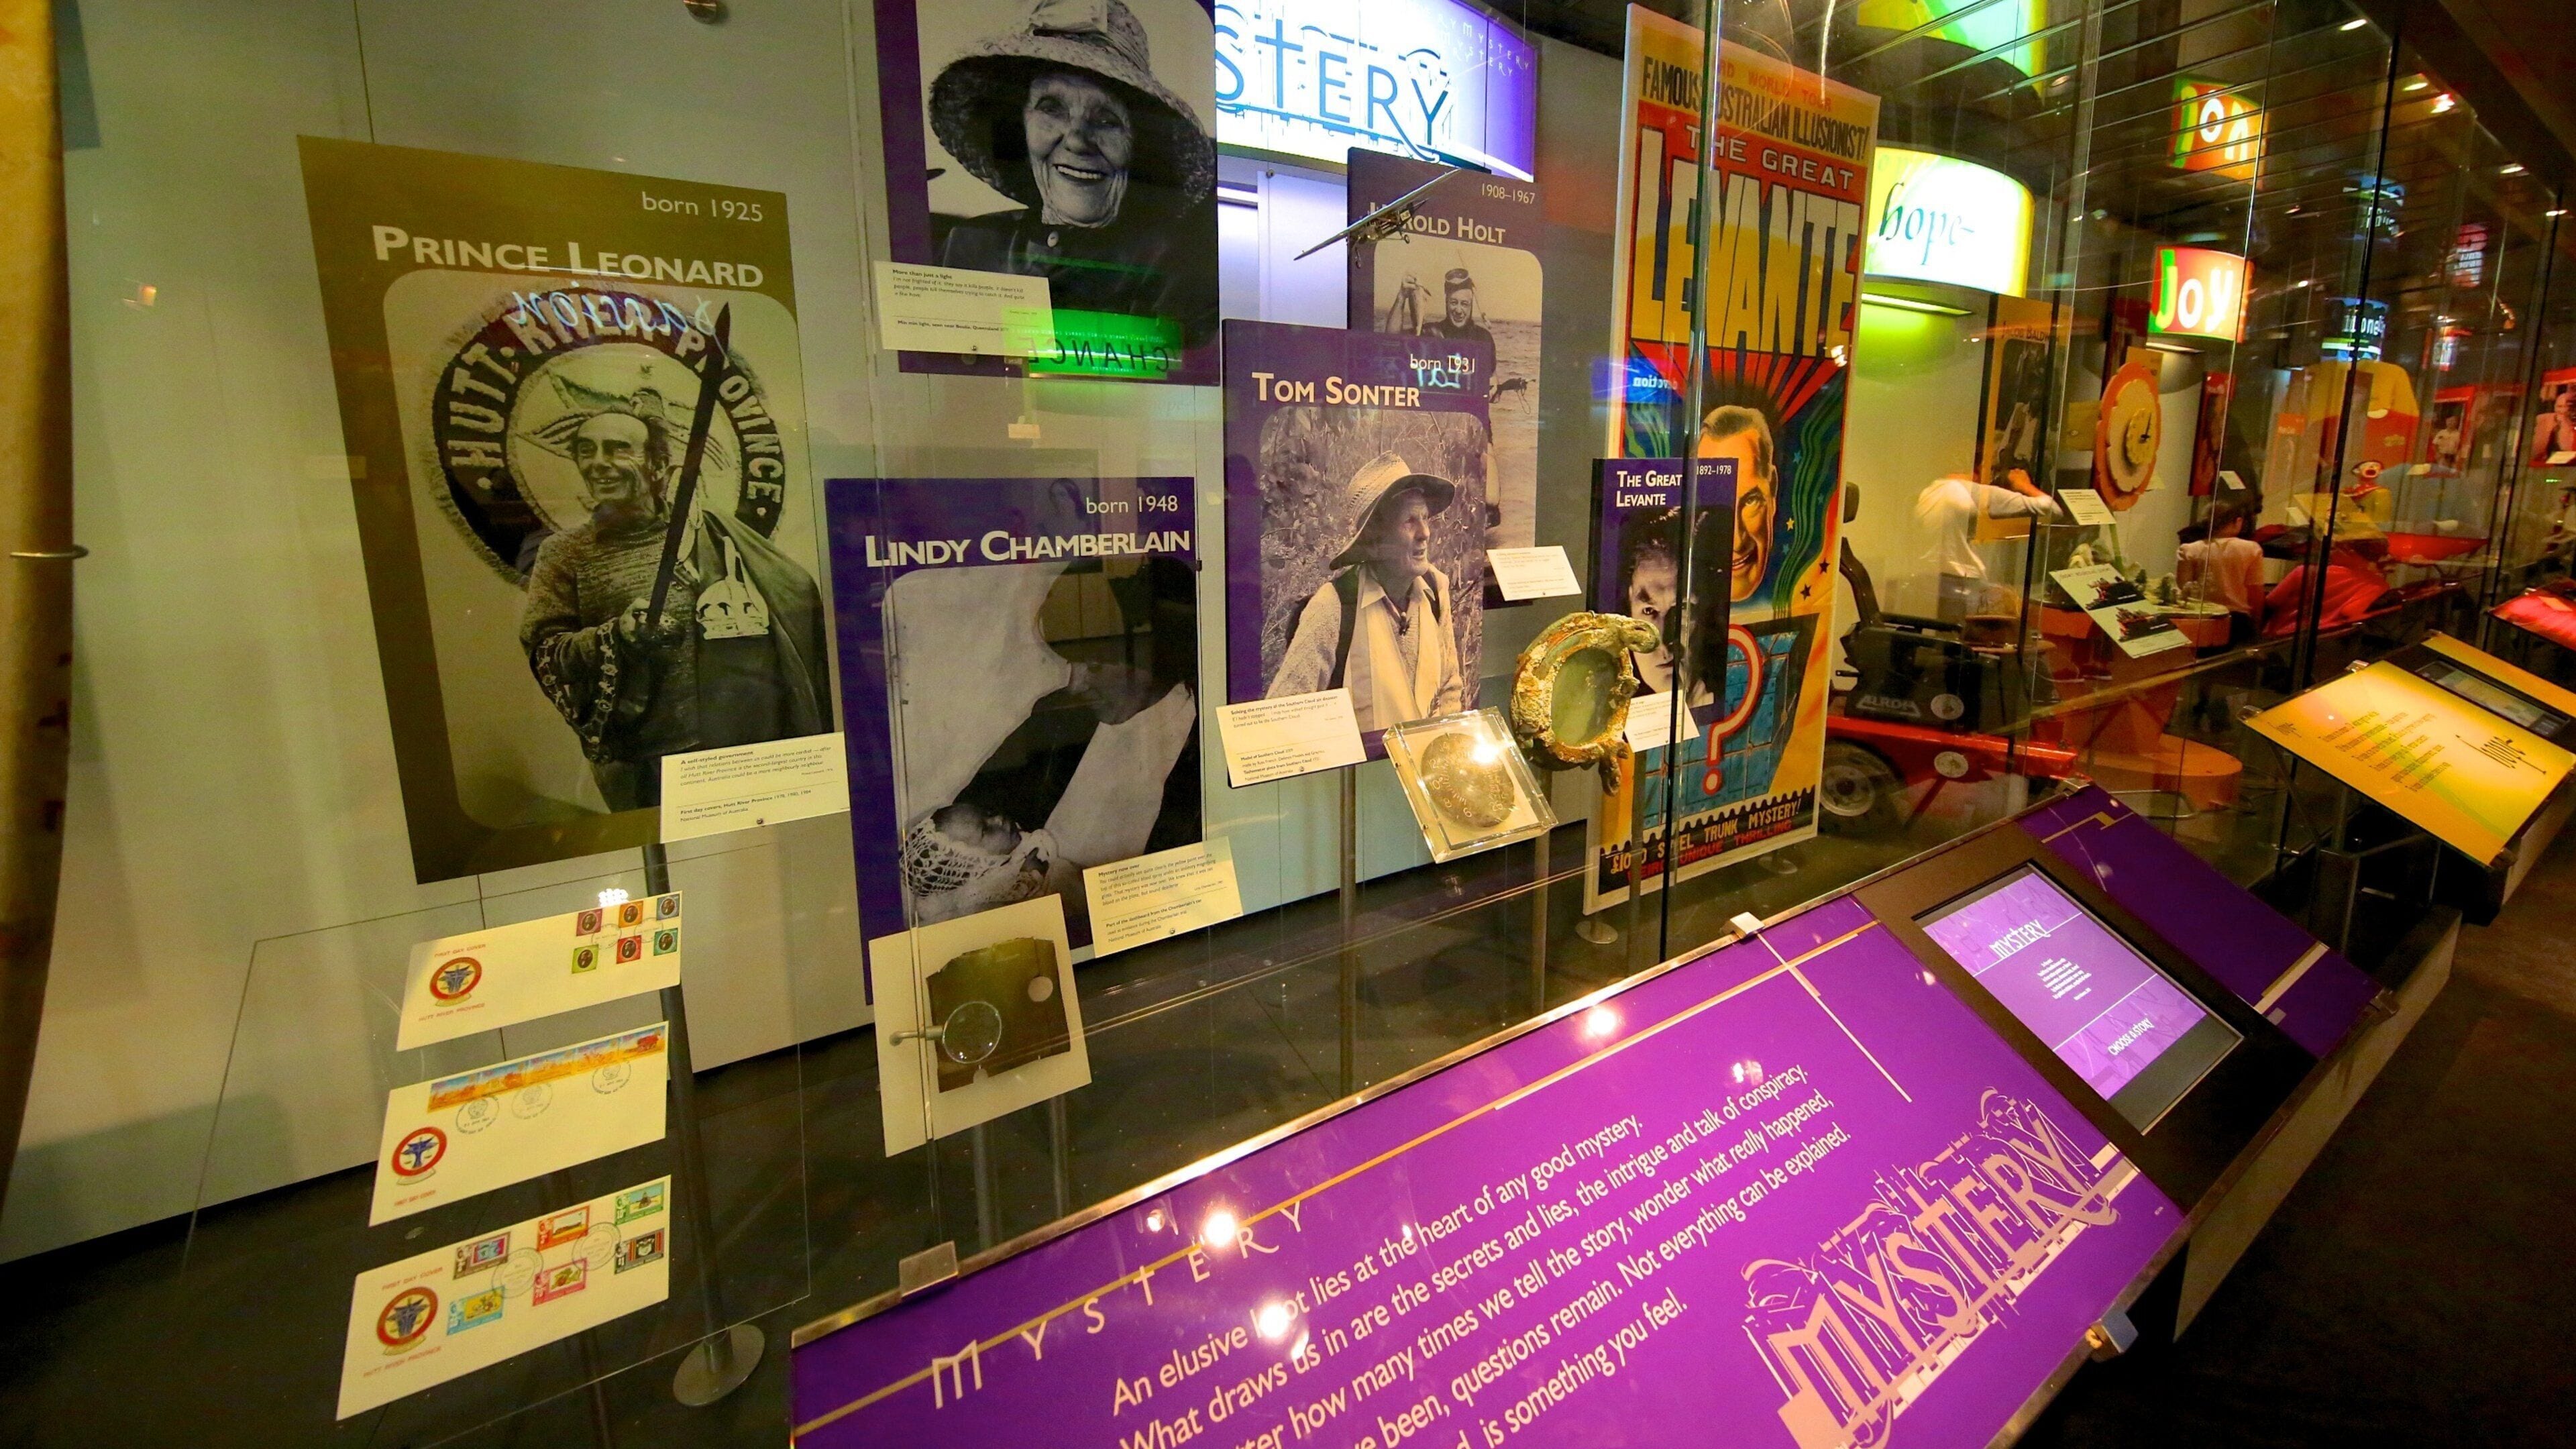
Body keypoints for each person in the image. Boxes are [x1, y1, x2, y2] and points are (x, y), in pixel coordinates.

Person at [519, 384, 832, 811]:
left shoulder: (713, 534)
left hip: (732, 751)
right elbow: (545, 654)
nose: (598, 464)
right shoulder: (563, 553)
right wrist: (616, 636)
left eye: (617, 449)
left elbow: (795, 599)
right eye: (586, 450)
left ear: (657, 464)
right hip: (641, 761)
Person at [928, 0, 1218, 350]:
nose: (1078, 141)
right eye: (1052, 109)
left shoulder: (1172, 268)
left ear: (1138, 145)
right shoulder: (970, 245)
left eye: (1107, 120)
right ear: (1020, 125)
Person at [1268, 452, 1467, 731]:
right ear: (1375, 539)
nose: (1425, 533)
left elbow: (1450, 686)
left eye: (1425, 518)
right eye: (1409, 520)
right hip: (1359, 774)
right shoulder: (1335, 604)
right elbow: (1282, 716)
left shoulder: (1435, 589)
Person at [1911, 468, 2063, 623]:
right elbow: (2052, 509)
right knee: (2009, 603)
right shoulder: (1972, 491)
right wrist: (2023, 484)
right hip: (1963, 583)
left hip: (1926, 582)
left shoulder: (1928, 491)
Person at [2261, 537, 2392, 638]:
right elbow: (2352, 612)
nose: (2330, 552)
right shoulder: (2378, 584)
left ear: (2351, 553)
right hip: (2329, 642)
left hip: (2283, 637)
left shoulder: (2305, 572)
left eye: (2334, 549)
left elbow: (2271, 603)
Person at [2177, 503, 2267, 644]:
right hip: (2237, 621)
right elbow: (2255, 593)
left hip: (2198, 618)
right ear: (2238, 522)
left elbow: (2183, 587)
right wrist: (2257, 624)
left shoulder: (2189, 549)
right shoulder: (2251, 549)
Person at [1389, 268, 1495, 352]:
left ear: (1471, 305)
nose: (1458, 310)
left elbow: (1492, 378)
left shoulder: (1484, 338)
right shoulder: (1430, 333)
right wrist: (1401, 297)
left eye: (1464, 304)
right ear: (1446, 302)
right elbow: (1391, 341)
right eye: (1453, 303)